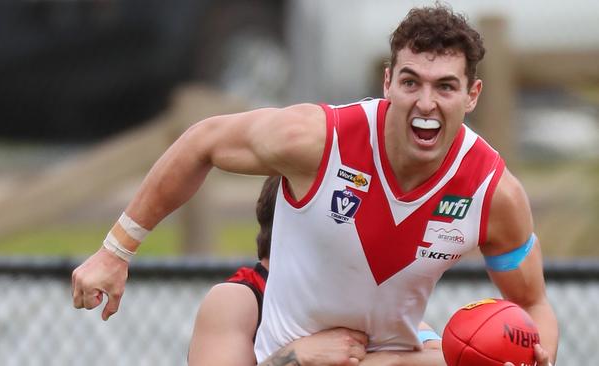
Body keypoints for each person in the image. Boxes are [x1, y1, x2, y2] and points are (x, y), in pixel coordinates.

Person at [72, 4, 558, 365]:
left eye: (445, 86)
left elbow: (532, 302)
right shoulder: (316, 140)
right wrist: (117, 250)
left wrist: (540, 355)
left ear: (472, 94)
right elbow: (203, 140)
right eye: (411, 82)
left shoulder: (492, 191)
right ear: (388, 82)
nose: (425, 103)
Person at [188, 176, 445, 366]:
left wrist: (386, 361)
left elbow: (444, 357)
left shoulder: (366, 297)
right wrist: (299, 357)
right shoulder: (238, 299)